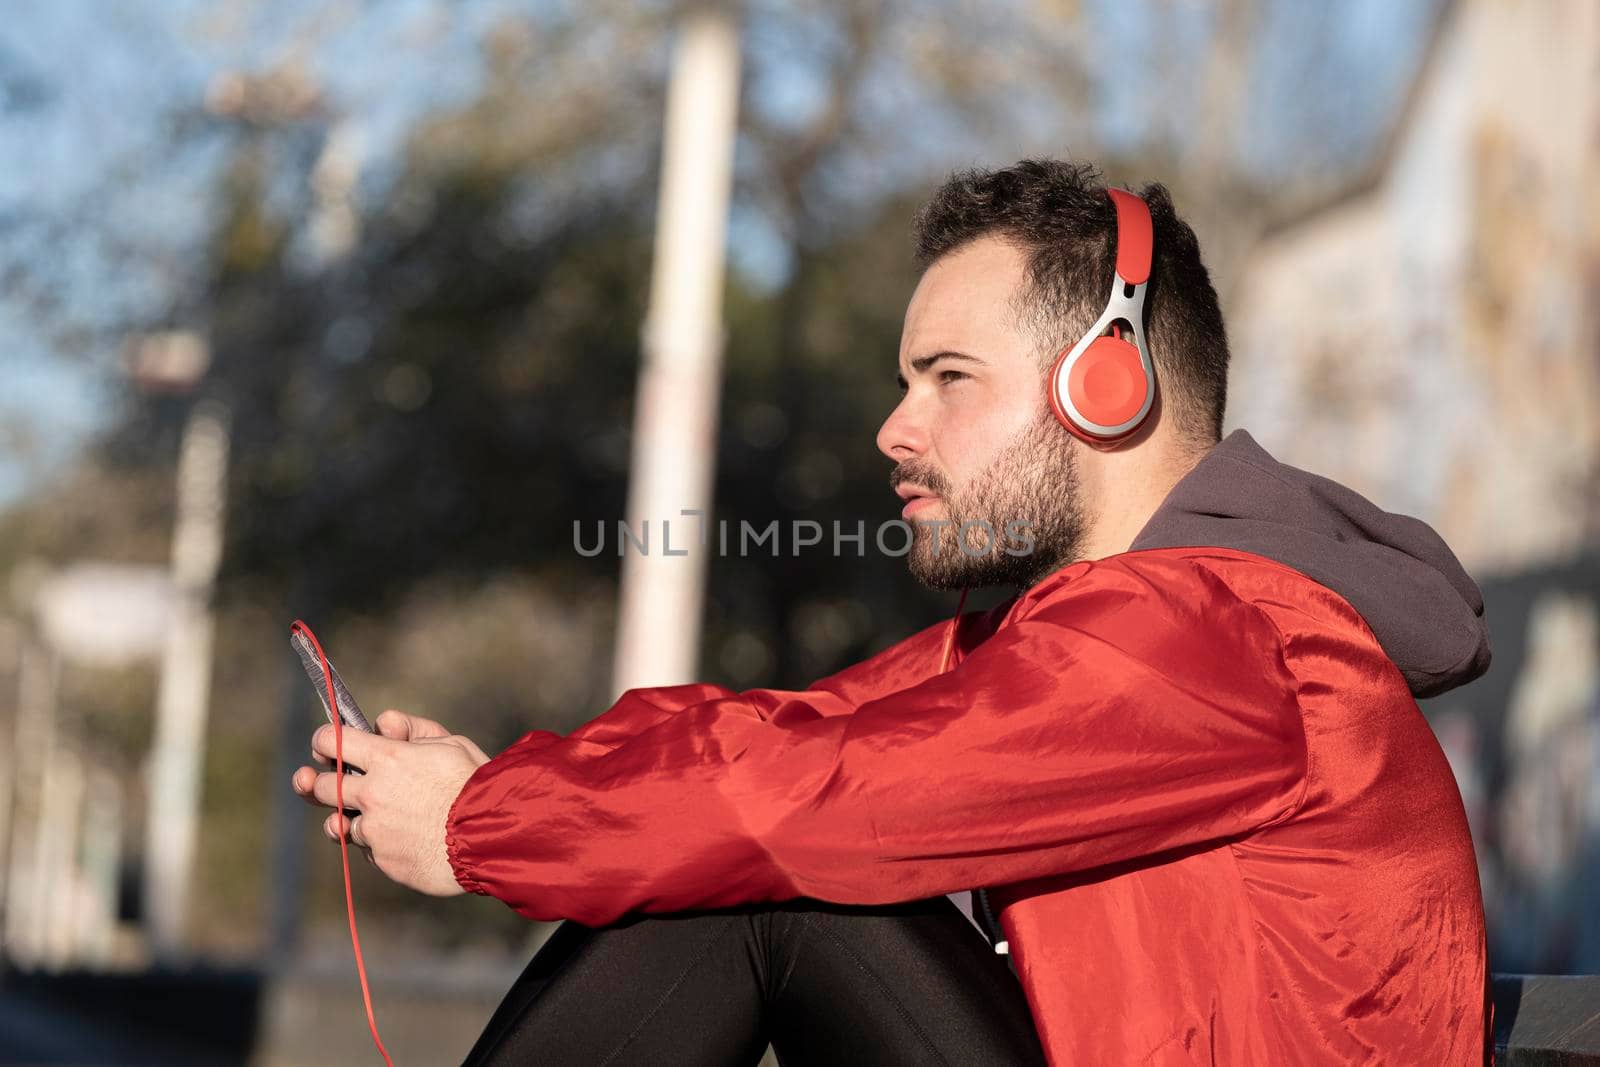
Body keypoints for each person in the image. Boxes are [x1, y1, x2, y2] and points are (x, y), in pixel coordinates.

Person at [292, 159, 1494, 1065]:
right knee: (743, 845)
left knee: (772, 870)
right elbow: (780, 732)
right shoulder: (1062, 644)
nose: (894, 429)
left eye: (947, 378)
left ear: (1106, 382)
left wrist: (482, 826)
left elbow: (796, 801)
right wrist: (492, 784)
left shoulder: (1220, 641)